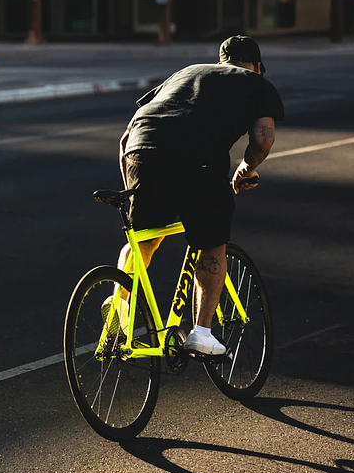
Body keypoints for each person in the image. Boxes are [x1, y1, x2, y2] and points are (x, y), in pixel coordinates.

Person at [115, 35, 284, 356]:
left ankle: (117, 312)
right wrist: (246, 168)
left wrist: (132, 187)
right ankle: (202, 333)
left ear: (220, 62)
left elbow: (128, 135)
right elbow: (263, 141)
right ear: (258, 66)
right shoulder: (257, 83)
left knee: (143, 239)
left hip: (141, 150)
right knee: (211, 243)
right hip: (198, 161)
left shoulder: (188, 72)